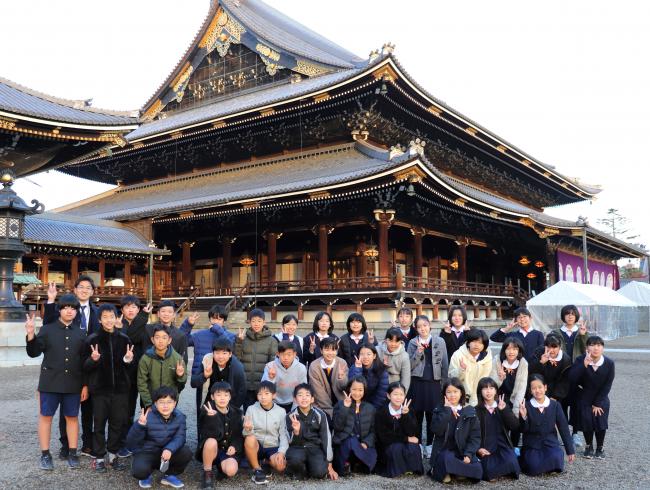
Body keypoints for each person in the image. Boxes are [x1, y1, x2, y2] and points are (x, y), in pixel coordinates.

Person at [25, 294, 88, 470]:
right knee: (46, 417)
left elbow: (84, 361)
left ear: (76, 312)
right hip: (50, 382)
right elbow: (34, 353)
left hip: (74, 383)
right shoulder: (47, 329)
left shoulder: (82, 333)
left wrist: (85, 385)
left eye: (73, 308)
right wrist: (31, 334)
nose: (69, 311)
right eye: (66, 307)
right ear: (59, 310)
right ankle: (45, 454)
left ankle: (73, 452)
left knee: (72, 417)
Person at [44, 278, 99, 459]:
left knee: (89, 405)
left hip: (91, 363)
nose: (84, 290)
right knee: (66, 409)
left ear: (92, 291)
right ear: (75, 290)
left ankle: (88, 443)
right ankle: (66, 445)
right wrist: (51, 301)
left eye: (88, 288)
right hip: (69, 365)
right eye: (81, 287)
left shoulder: (98, 312)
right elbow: (49, 325)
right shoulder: (66, 310)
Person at [83, 304, 134, 472]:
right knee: (98, 424)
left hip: (120, 390)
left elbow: (130, 367)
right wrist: (94, 359)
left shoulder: (124, 339)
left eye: (111, 316)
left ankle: (113, 454)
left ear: (116, 318)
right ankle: (99, 457)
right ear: (99, 319)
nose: (109, 320)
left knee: (117, 423)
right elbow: (85, 366)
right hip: (100, 390)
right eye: (105, 317)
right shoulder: (92, 340)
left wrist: (127, 359)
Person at [180, 305, 237, 432]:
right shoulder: (199, 335)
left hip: (223, 379)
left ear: (224, 321)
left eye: (220, 319)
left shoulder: (229, 336)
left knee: (224, 412)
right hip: (203, 378)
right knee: (203, 412)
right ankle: (201, 444)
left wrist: (218, 330)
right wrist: (188, 324)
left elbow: (232, 346)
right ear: (210, 319)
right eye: (214, 319)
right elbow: (181, 339)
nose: (216, 322)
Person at [126, 386, 192, 489]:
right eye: (161, 402)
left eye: (169, 402)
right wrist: (139, 426)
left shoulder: (180, 417)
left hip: (167, 454)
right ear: (155, 403)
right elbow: (130, 444)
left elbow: (180, 437)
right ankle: (146, 475)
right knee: (139, 471)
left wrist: (169, 449)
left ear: (175, 403)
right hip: (148, 452)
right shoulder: (147, 417)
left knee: (186, 452)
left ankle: (168, 475)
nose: (165, 406)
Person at [406, 314, 448, 457]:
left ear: (429, 325)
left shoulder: (439, 341)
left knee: (432, 415)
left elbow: (445, 363)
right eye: (419, 326)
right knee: (417, 415)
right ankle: (418, 444)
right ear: (415, 328)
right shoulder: (412, 343)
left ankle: (429, 444)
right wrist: (418, 352)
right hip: (417, 383)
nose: (422, 328)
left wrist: (445, 383)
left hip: (434, 383)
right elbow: (409, 366)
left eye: (425, 325)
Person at [116, 295, 152, 457]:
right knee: (126, 409)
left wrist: (143, 319)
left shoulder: (146, 327)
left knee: (146, 407)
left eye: (134, 307)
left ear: (138, 309)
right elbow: (127, 339)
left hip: (143, 373)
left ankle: (145, 440)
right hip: (124, 373)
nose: (131, 310)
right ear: (122, 309)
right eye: (127, 307)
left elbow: (135, 337)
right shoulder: (118, 324)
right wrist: (143, 318)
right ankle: (124, 441)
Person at [518, 374, 575, 476]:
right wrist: (524, 417)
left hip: (550, 442)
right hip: (532, 444)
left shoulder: (555, 405)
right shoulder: (526, 405)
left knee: (556, 459)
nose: (537, 391)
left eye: (540, 387)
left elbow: (563, 428)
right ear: (530, 390)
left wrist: (570, 450)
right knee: (533, 466)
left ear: (545, 387)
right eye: (534, 388)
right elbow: (524, 430)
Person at [429, 378, 483, 484]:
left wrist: (468, 454)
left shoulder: (470, 410)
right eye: (449, 392)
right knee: (446, 459)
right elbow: (436, 431)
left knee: (478, 469)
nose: (452, 395)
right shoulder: (439, 409)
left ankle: (454, 471)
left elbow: (475, 437)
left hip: (462, 450)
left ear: (461, 393)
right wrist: (447, 411)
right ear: (444, 394)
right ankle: (455, 472)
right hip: (445, 450)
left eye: (455, 391)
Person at [569, 336, 615, 459]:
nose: (596, 348)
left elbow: (607, 385)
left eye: (599, 345)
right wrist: (584, 365)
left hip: (601, 397)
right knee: (586, 421)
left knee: (600, 421)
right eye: (593, 345)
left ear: (603, 348)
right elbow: (572, 379)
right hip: (584, 396)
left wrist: (598, 403)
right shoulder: (580, 360)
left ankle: (600, 448)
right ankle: (588, 446)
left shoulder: (609, 363)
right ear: (587, 348)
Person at [192, 337, 246, 439]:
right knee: (206, 426)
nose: (220, 357)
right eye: (217, 353)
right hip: (209, 400)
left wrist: (232, 409)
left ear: (230, 354)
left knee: (227, 429)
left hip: (229, 401)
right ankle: (203, 447)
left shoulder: (237, 367)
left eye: (224, 353)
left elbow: (242, 390)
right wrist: (205, 375)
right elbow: (193, 383)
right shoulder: (207, 361)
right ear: (213, 353)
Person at [553, 304, 589, 448]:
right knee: (561, 405)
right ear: (563, 316)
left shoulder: (581, 332)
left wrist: (583, 335)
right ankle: (564, 434)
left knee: (576, 406)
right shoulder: (556, 332)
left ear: (576, 317)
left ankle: (575, 434)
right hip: (560, 375)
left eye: (573, 314)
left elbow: (588, 351)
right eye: (567, 314)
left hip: (577, 375)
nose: (570, 316)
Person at [285, 384, 338, 480]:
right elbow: (289, 440)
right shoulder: (290, 416)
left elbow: (326, 438)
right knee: (294, 461)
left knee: (320, 473)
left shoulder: (320, 415)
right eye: (300, 395)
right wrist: (296, 432)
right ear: (295, 399)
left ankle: (311, 468)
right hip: (297, 448)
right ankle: (300, 470)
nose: (304, 398)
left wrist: (329, 465)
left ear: (312, 399)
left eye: (307, 395)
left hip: (314, 448)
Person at [197, 382, 244, 486]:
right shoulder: (206, 410)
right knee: (211, 441)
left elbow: (238, 435)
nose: (222, 398)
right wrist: (211, 418)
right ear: (212, 397)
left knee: (231, 471)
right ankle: (207, 473)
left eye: (226, 395)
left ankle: (221, 468)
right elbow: (208, 434)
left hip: (227, 450)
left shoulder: (237, 412)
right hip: (210, 450)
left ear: (230, 397)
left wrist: (234, 446)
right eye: (218, 395)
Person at [243, 381, 289, 485]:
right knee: (249, 438)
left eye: (267, 394)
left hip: (273, 446)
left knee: (280, 466)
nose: (263, 397)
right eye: (260, 394)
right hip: (257, 446)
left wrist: (281, 452)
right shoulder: (251, 409)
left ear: (274, 395)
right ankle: (257, 469)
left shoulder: (281, 411)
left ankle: (266, 462)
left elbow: (283, 435)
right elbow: (245, 434)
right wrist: (248, 429)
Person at [475, 378, 521, 481]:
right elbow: (472, 434)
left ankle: (502, 471)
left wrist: (504, 410)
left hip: (502, 444)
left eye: (491, 388)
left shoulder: (503, 405)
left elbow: (514, 426)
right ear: (480, 391)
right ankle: (499, 472)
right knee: (488, 470)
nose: (488, 391)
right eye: (485, 388)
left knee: (512, 463)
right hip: (486, 446)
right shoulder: (476, 410)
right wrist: (478, 448)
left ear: (496, 390)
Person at [374, 382, 423, 478]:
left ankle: (411, 468)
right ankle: (397, 469)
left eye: (401, 394)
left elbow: (412, 432)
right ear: (388, 396)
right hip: (389, 444)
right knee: (396, 448)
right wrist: (406, 439)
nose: (398, 397)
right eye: (395, 394)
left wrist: (405, 416)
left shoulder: (409, 410)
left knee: (413, 447)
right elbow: (384, 437)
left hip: (403, 441)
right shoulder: (382, 412)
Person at [331, 376, 377, 475]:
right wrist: (345, 408)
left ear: (364, 390)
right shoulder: (340, 405)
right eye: (354, 389)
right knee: (351, 441)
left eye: (360, 390)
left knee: (372, 458)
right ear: (349, 389)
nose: (357, 393)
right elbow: (337, 427)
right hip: (346, 445)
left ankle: (358, 464)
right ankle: (349, 464)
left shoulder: (370, 408)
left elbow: (374, 431)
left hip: (362, 445)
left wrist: (366, 443)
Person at [235, 308, 278, 409]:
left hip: (263, 386)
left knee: (263, 412)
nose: (256, 324)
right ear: (249, 322)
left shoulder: (271, 341)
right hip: (247, 384)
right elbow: (237, 359)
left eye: (259, 321)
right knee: (248, 412)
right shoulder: (242, 338)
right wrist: (239, 343)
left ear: (264, 322)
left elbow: (272, 363)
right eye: (253, 321)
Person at [490, 336, 528, 447]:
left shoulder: (523, 363)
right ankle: (502, 446)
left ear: (519, 350)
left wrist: (517, 407)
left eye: (515, 349)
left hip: (516, 398)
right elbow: (491, 386)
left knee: (515, 423)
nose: (511, 352)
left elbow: (522, 387)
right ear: (504, 350)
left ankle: (515, 447)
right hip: (500, 398)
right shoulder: (497, 360)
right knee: (501, 425)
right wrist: (500, 379)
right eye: (508, 348)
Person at [137, 325, 188, 409]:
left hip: (169, 401)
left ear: (169, 340)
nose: (160, 341)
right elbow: (141, 383)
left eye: (164, 338)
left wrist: (180, 375)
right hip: (151, 401)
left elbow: (181, 384)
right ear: (152, 340)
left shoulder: (177, 358)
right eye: (157, 337)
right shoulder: (145, 358)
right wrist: (148, 404)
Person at [307, 337, 348, 419]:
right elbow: (318, 392)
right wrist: (330, 410)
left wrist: (341, 378)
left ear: (336, 351)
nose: (330, 353)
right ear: (321, 351)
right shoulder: (314, 366)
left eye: (333, 350)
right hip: (322, 405)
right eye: (327, 350)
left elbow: (344, 387)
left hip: (341, 403)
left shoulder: (342, 363)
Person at [449, 329, 492, 406]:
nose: (477, 345)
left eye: (480, 343)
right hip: (460, 398)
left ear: (484, 346)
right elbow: (451, 378)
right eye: (474, 341)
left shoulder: (487, 358)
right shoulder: (458, 355)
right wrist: (461, 370)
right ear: (468, 343)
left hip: (481, 397)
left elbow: (488, 379)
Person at [261, 340, 307, 412]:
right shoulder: (270, 366)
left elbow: (302, 390)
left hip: (293, 402)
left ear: (295, 354)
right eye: (282, 354)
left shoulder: (301, 368)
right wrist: (270, 378)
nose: (286, 358)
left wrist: (294, 410)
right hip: (273, 403)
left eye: (289, 354)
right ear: (278, 354)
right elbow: (263, 390)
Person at [143, 300, 189, 366]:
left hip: (171, 371)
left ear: (174, 315)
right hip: (151, 368)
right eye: (163, 311)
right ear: (158, 314)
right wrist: (142, 315)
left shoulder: (180, 335)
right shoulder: (148, 329)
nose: (166, 314)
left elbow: (183, 358)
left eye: (170, 312)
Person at [529, 333, 572, 402]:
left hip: (557, 393)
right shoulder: (538, 353)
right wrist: (541, 363)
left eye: (554, 347)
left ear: (560, 347)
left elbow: (564, 381)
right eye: (548, 347)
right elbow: (530, 371)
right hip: (538, 391)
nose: (551, 350)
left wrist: (555, 396)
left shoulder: (566, 360)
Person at [348, 344, 389, 409]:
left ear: (374, 356)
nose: (365, 357)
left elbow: (381, 394)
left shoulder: (382, 370)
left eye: (368, 354)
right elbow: (354, 389)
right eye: (362, 354)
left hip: (375, 405)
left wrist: (372, 409)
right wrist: (358, 369)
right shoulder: (354, 368)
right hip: (356, 403)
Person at [376, 327, 411, 392]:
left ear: (401, 342)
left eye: (396, 341)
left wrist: (402, 395)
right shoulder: (377, 350)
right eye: (390, 340)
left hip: (395, 386)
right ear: (386, 340)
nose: (393, 344)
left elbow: (405, 378)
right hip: (377, 383)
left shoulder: (405, 356)